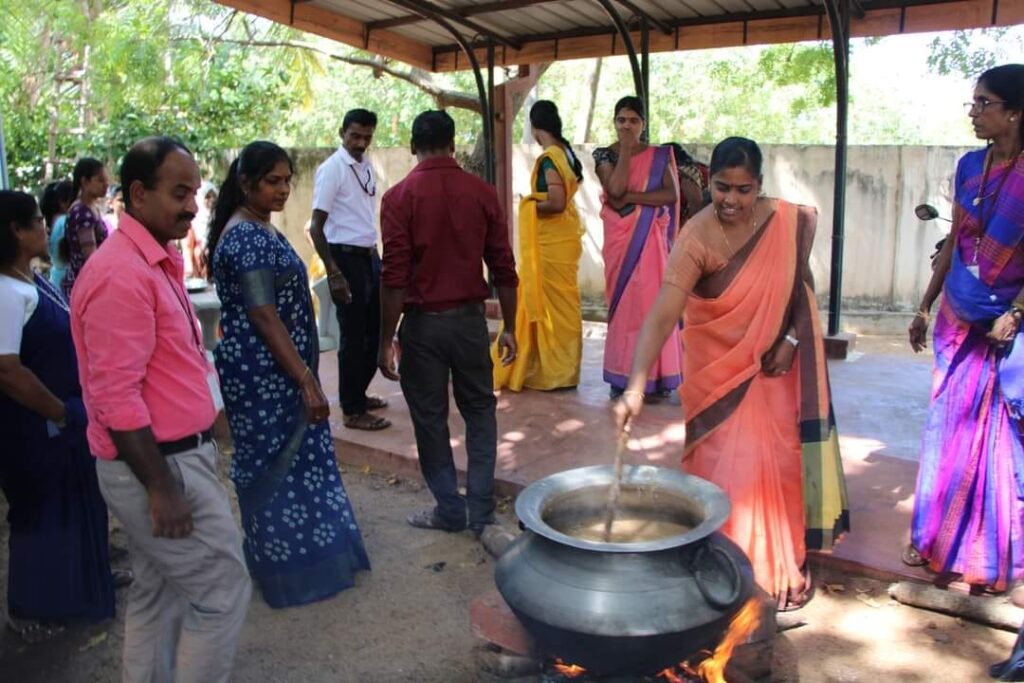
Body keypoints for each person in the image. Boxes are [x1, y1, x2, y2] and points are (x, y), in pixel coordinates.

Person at [614, 137, 849, 610]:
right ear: (709, 181)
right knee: (729, 477)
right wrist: (636, 385)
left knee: (777, 468)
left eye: (744, 190)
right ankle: (727, 574)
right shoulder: (695, 236)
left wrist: (790, 339)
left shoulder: (784, 220)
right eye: (722, 187)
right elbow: (663, 313)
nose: (731, 200)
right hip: (717, 377)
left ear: (759, 187)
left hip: (773, 372)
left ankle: (774, 572)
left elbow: (803, 283)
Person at [70, 137, 251, 682]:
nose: (192, 206)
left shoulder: (154, 261)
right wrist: (161, 488)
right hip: (157, 464)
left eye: (194, 193)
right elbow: (115, 398)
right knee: (221, 591)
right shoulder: (120, 275)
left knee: (159, 592)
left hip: (171, 458)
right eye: (179, 193)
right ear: (139, 193)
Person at [208, 141, 370, 608]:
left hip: (275, 372)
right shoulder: (247, 238)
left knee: (300, 466)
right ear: (246, 184)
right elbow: (263, 314)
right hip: (268, 378)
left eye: (287, 181)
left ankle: (310, 559)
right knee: (278, 469)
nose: (283, 190)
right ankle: (291, 571)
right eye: (272, 181)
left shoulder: (255, 228)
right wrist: (305, 380)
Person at [906, 64, 1024, 594]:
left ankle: (989, 552)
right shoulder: (969, 168)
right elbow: (956, 241)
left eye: (984, 103)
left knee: (999, 441)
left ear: (1015, 111)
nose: (974, 113)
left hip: (1003, 325)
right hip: (957, 316)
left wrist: (1015, 311)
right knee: (946, 428)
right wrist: (925, 304)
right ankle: (934, 538)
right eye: (972, 104)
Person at [378, 110, 518, 536]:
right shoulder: (482, 193)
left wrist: (386, 339)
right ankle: (481, 513)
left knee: (430, 418)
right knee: (480, 412)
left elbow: (395, 276)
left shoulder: (399, 198)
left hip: (422, 327)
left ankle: (448, 510)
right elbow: (504, 268)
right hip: (470, 324)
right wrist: (510, 326)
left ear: (413, 147)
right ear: (453, 144)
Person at [0, 191, 115, 641]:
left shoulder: (30, 278)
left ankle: (79, 588)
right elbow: (8, 370)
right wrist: (60, 412)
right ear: (16, 230)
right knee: (40, 511)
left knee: (74, 502)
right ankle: (30, 607)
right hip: (35, 424)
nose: (47, 228)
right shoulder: (6, 294)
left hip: (65, 417)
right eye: (37, 221)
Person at [593, 96, 682, 399]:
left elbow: (669, 194)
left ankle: (655, 378)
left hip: (650, 244)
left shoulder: (658, 157)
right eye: (621, 120)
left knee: (650, 304)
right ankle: (622, 376)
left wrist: (630, 198)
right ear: (614, 122)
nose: (627, 125)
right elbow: (614, 190)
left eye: (633, 120)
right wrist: (627, 152)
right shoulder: (605, 154)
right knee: (625, 308)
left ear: (643, 123)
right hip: (621, 245)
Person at [493, 100, 584, 392]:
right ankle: (559, 368)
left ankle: (551, 370)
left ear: (534, 127)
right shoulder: (567, 153)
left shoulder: (549, 159)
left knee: (548, 305)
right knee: (561, 305)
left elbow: (556, 203)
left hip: (550, 244)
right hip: (564, 239)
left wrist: (529, 202)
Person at [308, 108, 390, 431]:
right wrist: (334, 272)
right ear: (342, 132)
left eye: (367, 137)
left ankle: (358, 393)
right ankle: (352, 410)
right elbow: (316, 228)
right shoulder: (332, 170)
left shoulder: (366, 165)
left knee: (376, 330)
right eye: (355, 135)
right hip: (345, 259)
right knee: (354, 337)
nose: (360, 142)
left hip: (370, 256)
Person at [62, 157, 110, 298]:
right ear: (84, 181)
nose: (106, 185)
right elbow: (91, 258)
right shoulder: (82, 213)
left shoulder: (89, 208)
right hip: (86, 284)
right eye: (100, 180)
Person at [40, 180, 75, 287]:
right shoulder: (65, 222)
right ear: (63, 203)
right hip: (66, 282)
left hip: (57, 279)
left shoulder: (53, 222)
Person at [185, 181, 216, 279]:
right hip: (201, 267)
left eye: (213, 196)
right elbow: (189, 246)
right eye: (207, 197)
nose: (211, 200)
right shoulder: (194, 221)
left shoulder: (220, 218)